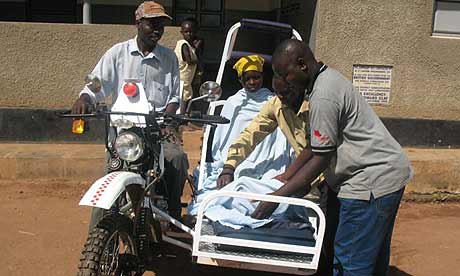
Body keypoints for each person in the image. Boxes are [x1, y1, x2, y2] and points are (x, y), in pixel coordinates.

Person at [247, 39, 413, 276]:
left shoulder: (323, 96)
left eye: (285, 74)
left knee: (351, 263)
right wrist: (287, 175)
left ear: (302, 65)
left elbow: (320, 158)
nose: (284, 82)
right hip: (385, 175)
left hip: (368, 183)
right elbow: (317, 145)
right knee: (371, 257)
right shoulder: (327, 80)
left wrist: (276, 198)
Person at [216, 51, 338, 276]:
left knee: (329, 243)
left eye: (287, 95)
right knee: (241, 191)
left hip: (326, 177)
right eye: (279, 95)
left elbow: (315, 148)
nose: (283, 100)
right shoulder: (276, 104)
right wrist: (229, 166)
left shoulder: (316, 107)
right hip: (299, 178)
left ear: (299, 89)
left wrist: (287, 179)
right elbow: (250, 134)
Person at [72, 1, 189, 226]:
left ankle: (172, 212)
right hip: (124, 135)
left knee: (178, 159)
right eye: (151, 24)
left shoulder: (169, 58)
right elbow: (97, 84)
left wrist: (168, 121)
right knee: (108, 181)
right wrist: (84, 98)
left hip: (157, 132)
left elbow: (174, 96)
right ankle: (99, 240)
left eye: (161, 25)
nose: (157, 29)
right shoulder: (118, 53)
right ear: (137, 23)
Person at [187, 55, 293, 218]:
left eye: (256, 77)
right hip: (236, 157)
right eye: (247, 78)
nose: (252, 82)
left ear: (262, 77)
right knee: (232, 183)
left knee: (270, 183)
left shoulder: (273, 102)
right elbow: (223, 138)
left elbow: (279, 137)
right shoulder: (233, 103)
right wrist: (229, 164)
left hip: (267, 157)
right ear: (240, 80)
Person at [174, 18, 203, 114]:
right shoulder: (184, 44)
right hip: (183, 77)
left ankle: (185, 116)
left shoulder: (188, 45)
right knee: (184, 97)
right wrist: (198, 60)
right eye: (186, 32)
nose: (189, 34)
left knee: (186, 96)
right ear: (181, 32)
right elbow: (189, 60)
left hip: (187, 77)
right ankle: (182, 117)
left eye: (191, 32)